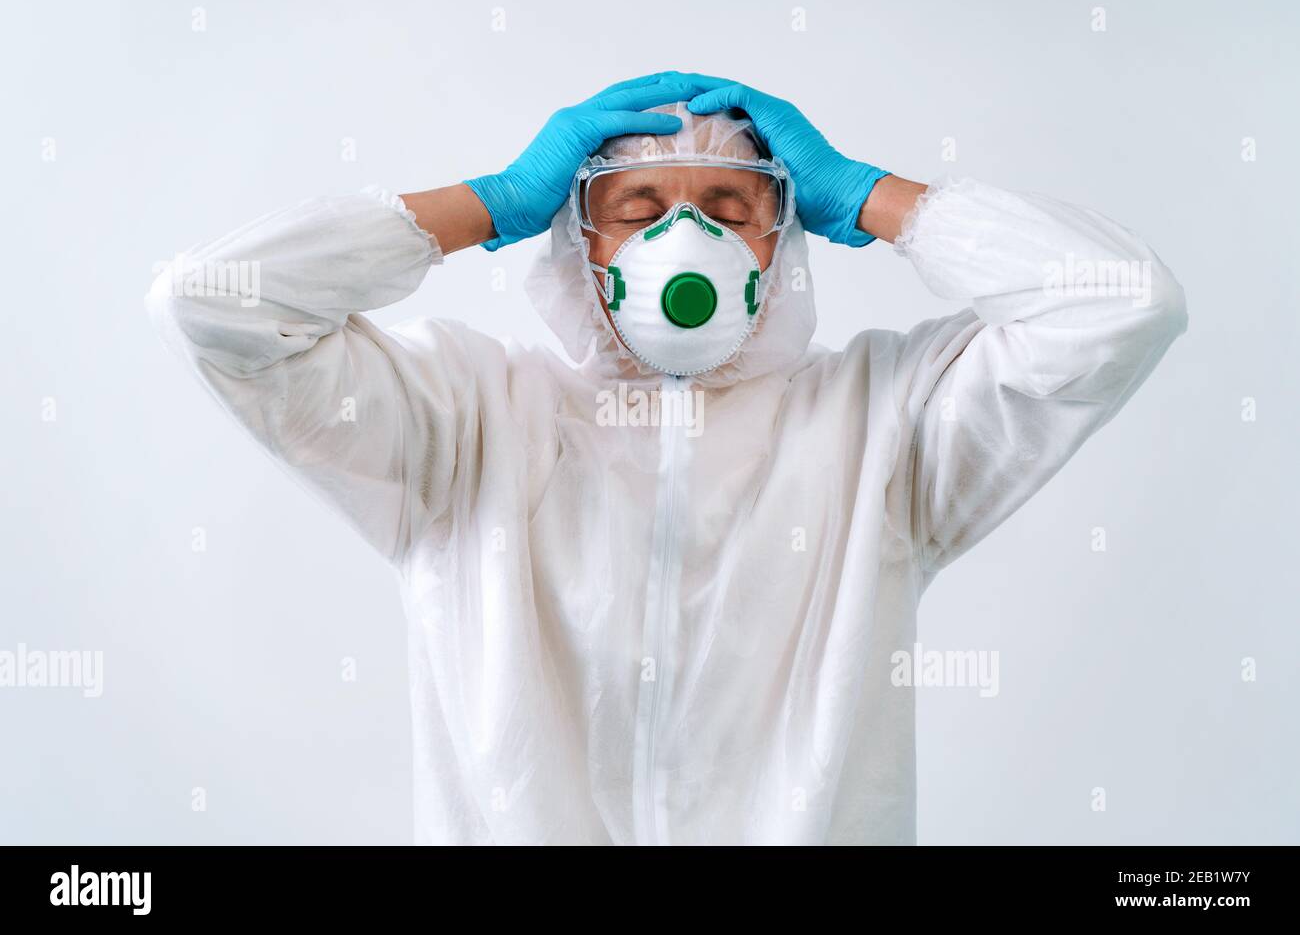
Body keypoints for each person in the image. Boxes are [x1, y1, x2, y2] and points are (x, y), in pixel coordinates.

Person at [147, 72, 1187, 844]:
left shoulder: (884, 423)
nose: (684, 238)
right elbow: (212, 299)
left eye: (732, 210)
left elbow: (1120, 303)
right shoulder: (463, 419)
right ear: (576, 247)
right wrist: (492, 200)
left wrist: (876, 196)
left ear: (780, 247)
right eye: (637, 212)